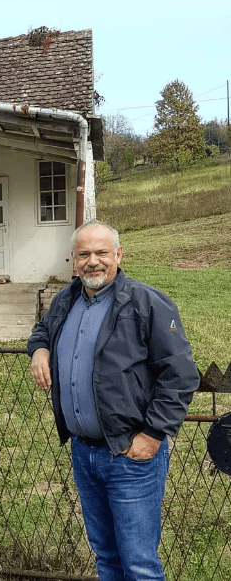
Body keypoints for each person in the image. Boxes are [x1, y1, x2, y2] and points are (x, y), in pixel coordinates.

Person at [27, 220, 199, 581]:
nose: (93, 261)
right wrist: (40, 350)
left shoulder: (146, 302)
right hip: (84, 453)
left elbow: (180, 374)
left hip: (129, 455)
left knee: (138, 563)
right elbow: (42, 330)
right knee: (106, 557)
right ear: (73, 261)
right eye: (84, 254)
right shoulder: (66, 299)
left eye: (102, 252)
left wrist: (153, 435)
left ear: (118, 254)